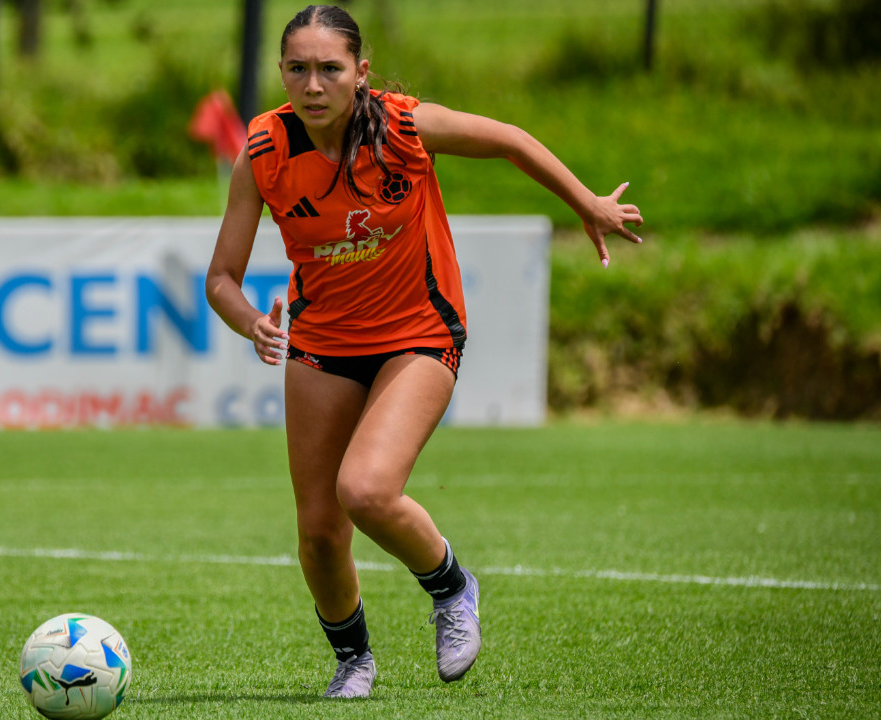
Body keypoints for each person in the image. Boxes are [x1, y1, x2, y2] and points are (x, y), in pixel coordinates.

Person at [205, 4, 643, 699]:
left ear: (360, 72)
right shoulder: (263, 150)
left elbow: (508, 139)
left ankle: (452, 587)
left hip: (418, 333)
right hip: (321, 345)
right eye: (297, 68)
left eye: (329, 68)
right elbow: (221, 278)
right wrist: (252, 321)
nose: (313, 85)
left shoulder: (405, 126)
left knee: (366, 490)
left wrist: (585, 201)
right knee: (319, 533)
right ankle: (354, 662)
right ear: (281, 72)